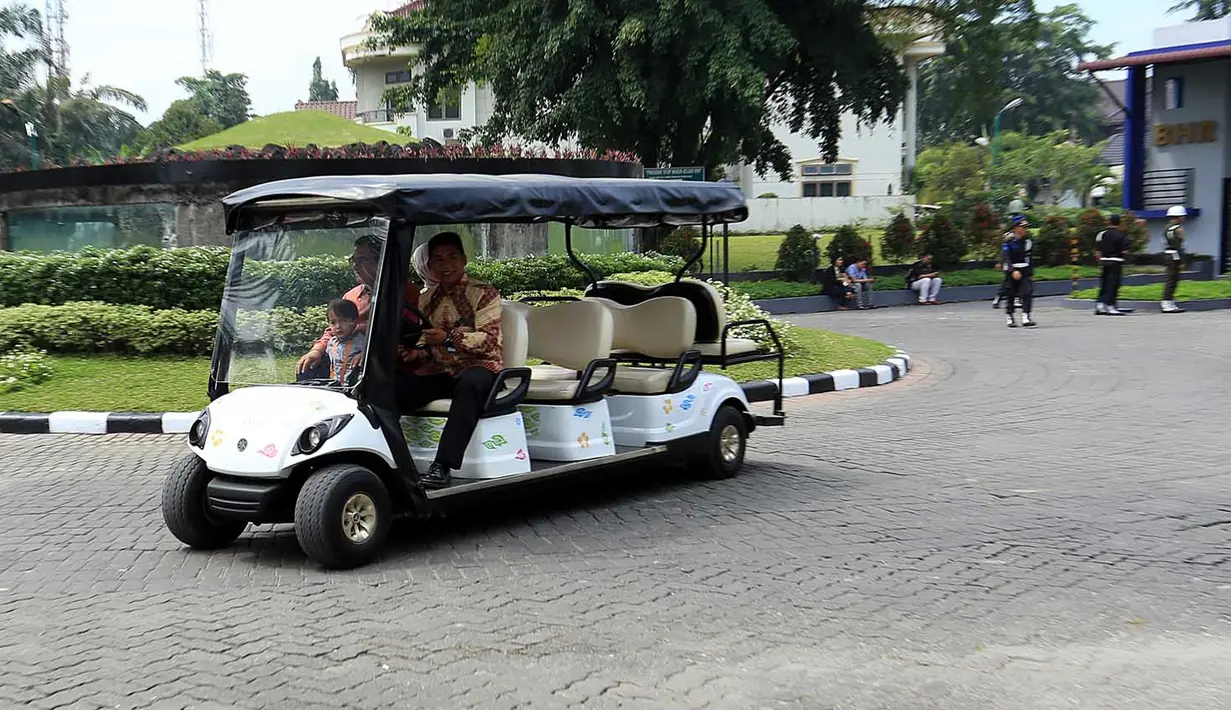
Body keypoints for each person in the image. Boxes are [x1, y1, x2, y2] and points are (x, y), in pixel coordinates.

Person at [395, 232, 504, 489]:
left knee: (469, 385)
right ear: (429, 265)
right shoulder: (426, 298)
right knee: (390, 388)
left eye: (453, 257)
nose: (446, 265)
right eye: (439, 259)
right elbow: (427, 341)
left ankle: (442, 466)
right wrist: (417, 352)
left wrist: (448, 338)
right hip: (442, 371)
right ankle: (395, 462)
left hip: (480, 367)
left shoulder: (484, 293)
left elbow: (488, 340)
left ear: (464, 260)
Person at [295, 234, 422, 380]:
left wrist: (371, 352)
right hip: (345, 357)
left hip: (386, 362)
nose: (355, 265)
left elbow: (404, 334)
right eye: (353, 260)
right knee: (306, 369)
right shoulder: (351, 295)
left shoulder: (406, 293)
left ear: (381, 261)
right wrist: (316, 350)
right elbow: (333, 330)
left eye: (361, 260)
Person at [1002, 216, 1037, 328]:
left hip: (1024, 269)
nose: (1024, 229)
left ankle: (1026, 317)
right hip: (1011, 269)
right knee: (1011, 294)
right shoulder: (1008, 240)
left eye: (1025, 227)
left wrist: (1030, 273)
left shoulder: (1027, 241)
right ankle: (1010, 317)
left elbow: (1029, 258)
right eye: (1022, 227)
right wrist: (1012, 270)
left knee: (1027, 292)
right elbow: (1006, 257)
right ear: (1015, 228)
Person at [323, 298, 366, 385]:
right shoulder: (332, 343)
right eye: (333, 322)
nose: (338, 326)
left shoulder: (362, 341)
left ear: (354, 321)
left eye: (344, 321)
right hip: (334, 387)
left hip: (354, 388)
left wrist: (364, 354)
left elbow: (375, 352)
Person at [1094, 214, 1129, 316]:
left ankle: (1100, 305)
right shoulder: (1122, 235)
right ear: (1119, 223)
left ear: (1109, 222)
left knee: (1104, 283)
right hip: (1116, 261)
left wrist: (1100, 261)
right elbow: (1125, 251)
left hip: (1104, 261)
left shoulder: (1101, 234)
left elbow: (1097, 251)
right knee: (1113, 284)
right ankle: (1111, 306)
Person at [1162, 205, 1187, 314]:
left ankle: (1169, 301)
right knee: (1172, 279)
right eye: (1182, 216)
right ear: (1178, 217)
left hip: (1167, 254)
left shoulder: (1167, 227)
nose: (1183, 218)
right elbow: (1179, 246)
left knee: (1171, 279)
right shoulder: (1177, 229)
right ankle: (1167, 302)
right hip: (1174, 255)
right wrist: (1182, 260)